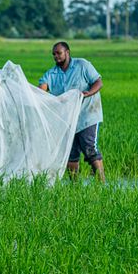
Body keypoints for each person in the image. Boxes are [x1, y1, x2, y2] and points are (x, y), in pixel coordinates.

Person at [39, 41, 105, 182]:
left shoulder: (82, 65)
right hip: (67, 120)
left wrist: (88, 94)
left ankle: (102, 183)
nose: (56, 56)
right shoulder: (51, 74)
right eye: (54, 54)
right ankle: (74, 186)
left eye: (59, 53)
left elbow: (98, 82)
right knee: (70, 153)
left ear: (67, 52)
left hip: (87, 115)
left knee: (89, 149)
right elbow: (42, 89)